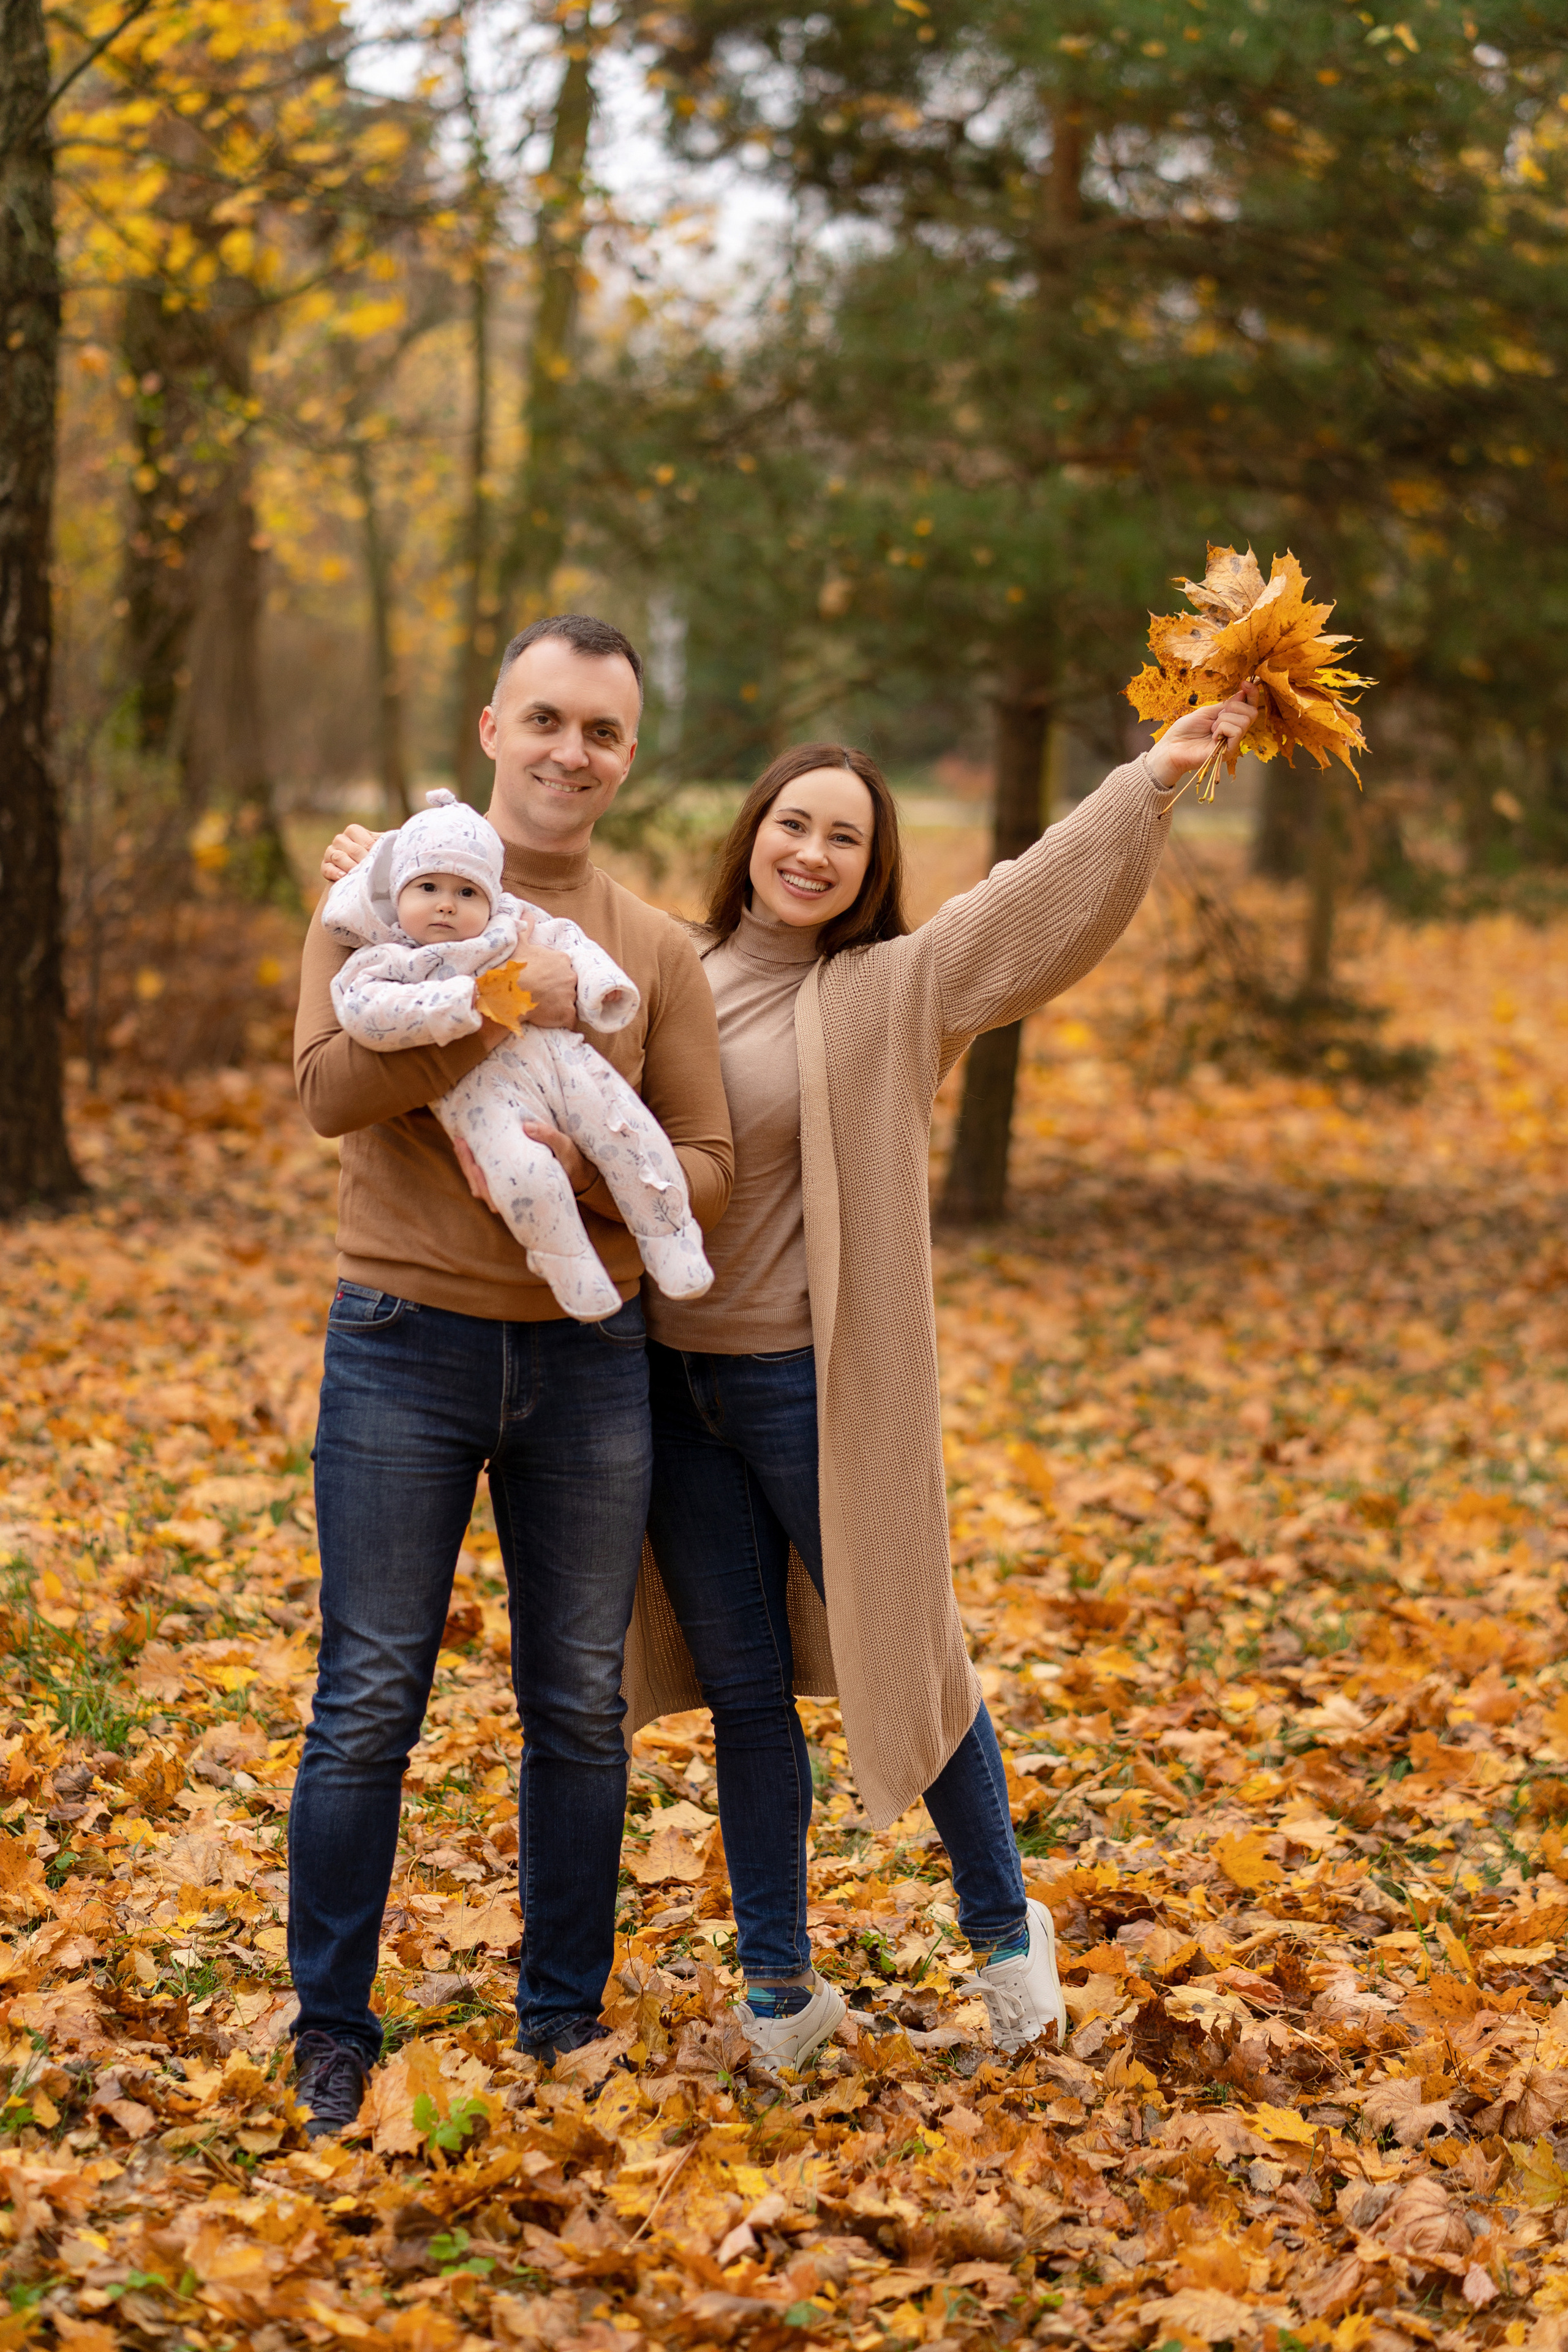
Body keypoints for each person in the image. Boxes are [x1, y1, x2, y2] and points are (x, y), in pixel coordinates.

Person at [620, 687, 1260, 2065]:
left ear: (868, 868)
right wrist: (389, 876)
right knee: (742, 1694)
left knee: (911, 1655)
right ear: (749, 836)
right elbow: (519, 938)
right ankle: (781, 1996)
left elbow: (1033, 909)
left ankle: (1003, 1944)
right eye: (791, 823)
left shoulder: (884, 992)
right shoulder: (660, 967)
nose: (810, 852)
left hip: (808, 1389)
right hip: (671, 1394)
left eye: (842, 839)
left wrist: (1150, 775)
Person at [289, 613, 733, 2135]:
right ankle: (331, 2032)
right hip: (401, 1345)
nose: (571, 752)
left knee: (579, 1702)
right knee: (365, 1697)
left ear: (624, 755)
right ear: (491, 725)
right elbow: (323, 1089)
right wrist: (489, 999)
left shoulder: (650, 946)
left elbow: (711, 1166)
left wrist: (582, 1183)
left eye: (601, 731)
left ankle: (560, 2020)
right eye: (546, 719)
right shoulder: (376, 897)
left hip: (587, 1357)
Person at [323, 786, 712, 1320]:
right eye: (428, 887)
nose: (445, 903)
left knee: (627, 1133)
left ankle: (671, 1239)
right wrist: (491, 999)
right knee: (524, 1174)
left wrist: (603, 993)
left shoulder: (516, 925)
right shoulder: (388, 955)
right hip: (480, 1105)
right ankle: (569, 1267)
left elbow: (572, 944)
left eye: (466, 893)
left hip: (565, 1061)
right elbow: (362, 1023)